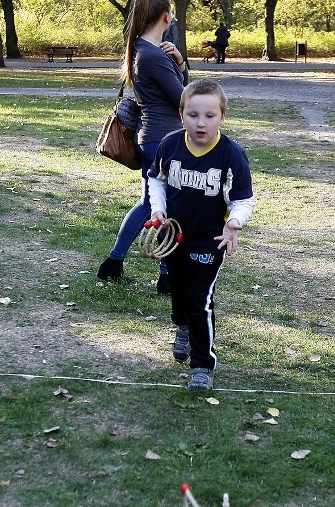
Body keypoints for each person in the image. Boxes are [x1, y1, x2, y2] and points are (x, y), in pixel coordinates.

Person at [147, 79, 254, 390]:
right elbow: (157, 180)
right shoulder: (170, 144)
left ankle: (202, 365)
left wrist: (234, 223)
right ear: (182, 114)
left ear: (222, 117)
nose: (201, 123)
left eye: (210, 115)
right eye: (193, 115)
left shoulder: (231, 155)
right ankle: (182, 327)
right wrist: (158, 209)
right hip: (174, 238)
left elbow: (243, 199)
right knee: (178, 293)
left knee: (198, 299)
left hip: (209, 240)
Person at [97, 0, 188, 294]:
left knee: (150, 204)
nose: (173, 16)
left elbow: (178, 87)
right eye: (171, 11)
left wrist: (180, 63)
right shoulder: (152, 57)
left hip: (152, 138)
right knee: (164, 206)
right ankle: (166, 276)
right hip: (164, 139)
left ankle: (113, 264)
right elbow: (184, 100)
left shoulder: (141, 50)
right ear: (165, 17)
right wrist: (177, 65)